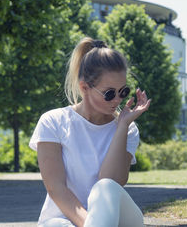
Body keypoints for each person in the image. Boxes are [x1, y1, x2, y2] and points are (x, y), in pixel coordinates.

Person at [29, 37, 151, 227]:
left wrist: (122, 126)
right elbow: (56, 189)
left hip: (118, 220)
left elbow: (112, 181)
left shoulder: (128, 128)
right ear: (84, 87)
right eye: (110, 93)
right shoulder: (53, 122)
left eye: (123, 91)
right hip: (62, 220)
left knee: (105, 187)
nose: (118, 100)